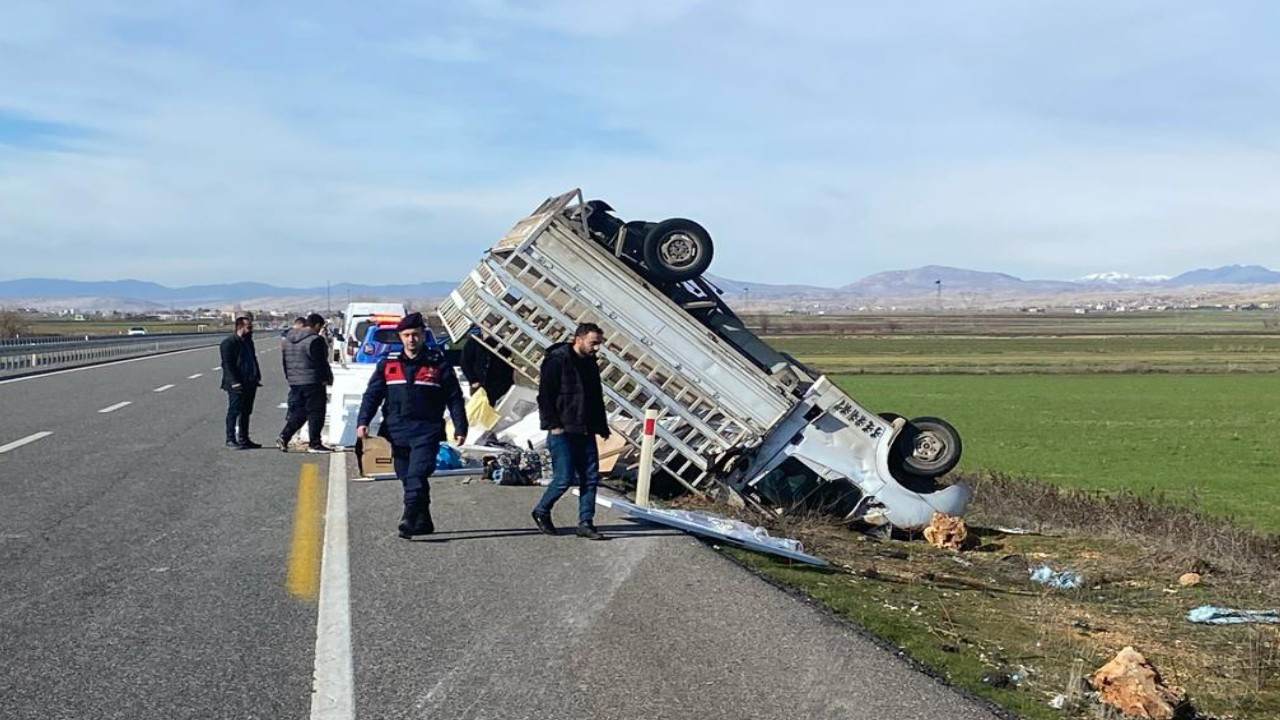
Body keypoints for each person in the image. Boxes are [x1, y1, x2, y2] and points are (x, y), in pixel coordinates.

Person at [356, 312, 467, 539]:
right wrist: (363, 421)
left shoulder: (438, 365)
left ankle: (407, 518)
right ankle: (424, 520)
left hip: (427, 430)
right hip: (396, 431)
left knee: (417, 473)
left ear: (423, 336)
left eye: (415, 335)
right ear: (400, 337)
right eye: (407, 335)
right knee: (406, 475)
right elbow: (372, 395)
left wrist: (460, 427)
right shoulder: (388, 365)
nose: (411, 339)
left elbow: (454, 397)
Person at [531, 322, 611, 540]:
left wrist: (601, 426)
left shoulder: (590, 364)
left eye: (599, 344)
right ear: (579, 339)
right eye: (594, 343)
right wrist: (553, 424)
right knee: (564, 478)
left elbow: (595, 397)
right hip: (562, 430)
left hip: (585, 429)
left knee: (590, 477)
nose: (597, 348)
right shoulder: (557, 361)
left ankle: (586, 523)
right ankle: (541, 511)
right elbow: (545, 396)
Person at [277, 313, 335, 453]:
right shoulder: (315, 340)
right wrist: (325, 378)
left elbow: (285, 361)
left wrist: (290, 377)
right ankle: (315, 443)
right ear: (316, 325)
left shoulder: (288, 339)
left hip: (295, 381)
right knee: (316, 412)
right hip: (312, 380)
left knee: (301, 411)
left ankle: (285, 436)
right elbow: (320, 362)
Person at [219, 314, 262, 449]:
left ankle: (244, 438)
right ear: (240, 327)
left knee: (246, 411)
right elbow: (227, 364)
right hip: (236, 383)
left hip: (250, 381)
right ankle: (230, 438)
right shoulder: (229, 343)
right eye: (249, 327)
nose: (251, 329)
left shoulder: (248, 342)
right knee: (234, 410)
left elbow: (252, 359)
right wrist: (234, 381)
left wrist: (257, 375)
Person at [459, 325, 515, 406]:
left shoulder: (502, 342)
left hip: (500, 384)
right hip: (480, 384)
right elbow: (465, 362)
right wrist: (473, 380)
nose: (489, 326)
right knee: (479, 410)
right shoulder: (474, 341)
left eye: (492, 324)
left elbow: (508, 361)